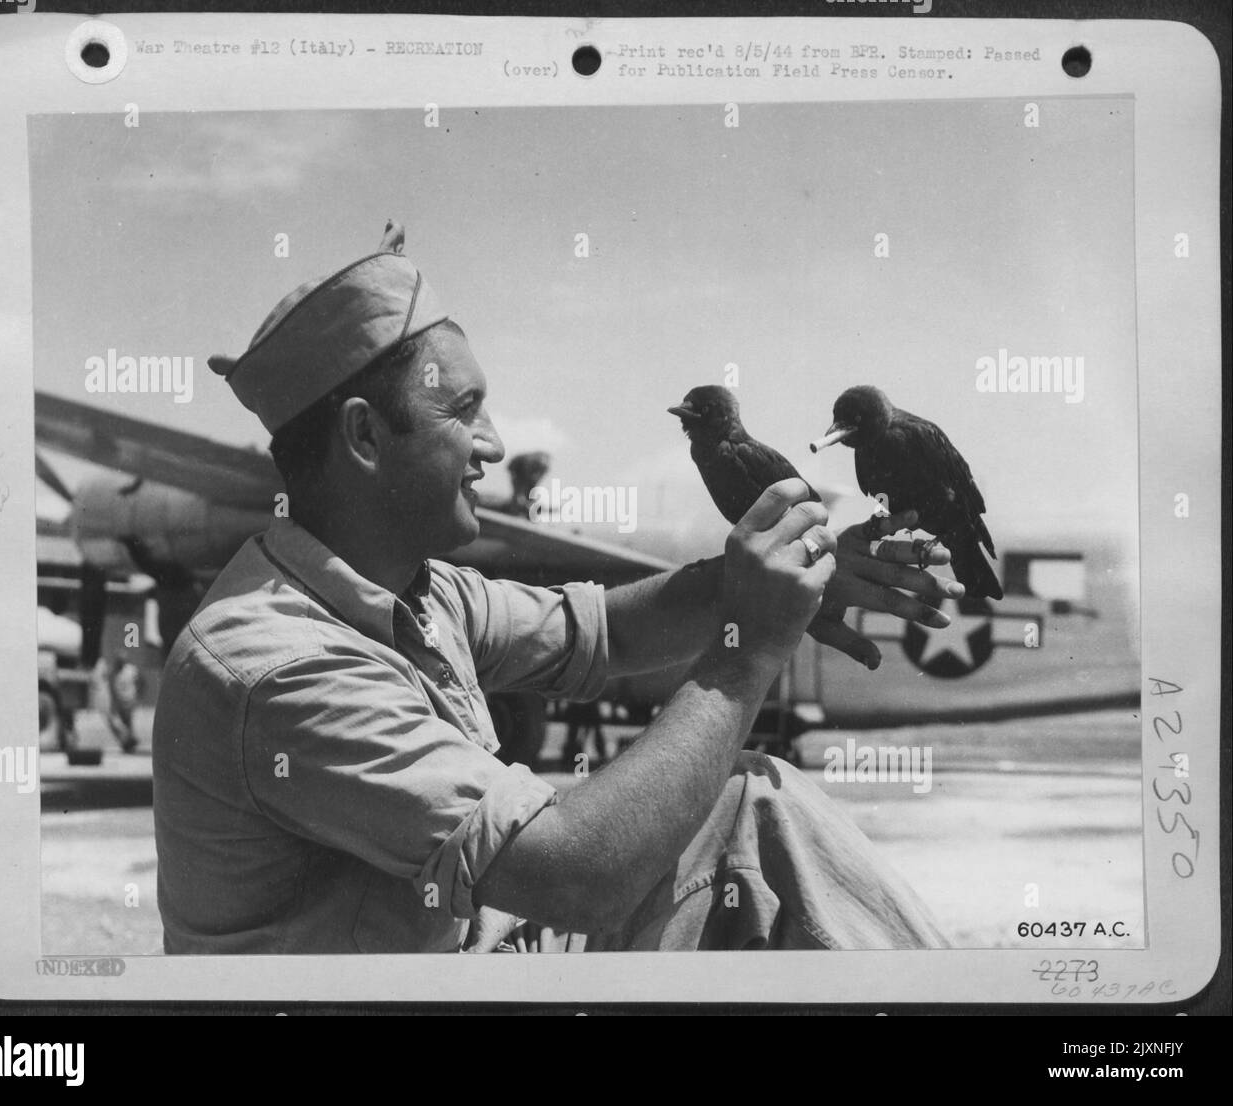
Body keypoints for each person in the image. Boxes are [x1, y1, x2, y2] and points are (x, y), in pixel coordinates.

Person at [152, 220, 954, 954]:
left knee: (755, 803)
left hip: (473, 961)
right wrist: (752, 653)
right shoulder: (284, 669)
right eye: (462, 412)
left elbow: (606, 632)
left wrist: (778, 572)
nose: (494, 446)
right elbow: (580, 877)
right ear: (364, 435)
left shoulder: (418, 595)